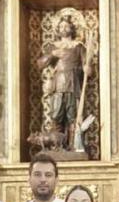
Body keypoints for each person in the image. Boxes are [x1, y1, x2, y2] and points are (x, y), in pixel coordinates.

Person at [38, 18, 91, 147]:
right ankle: (57, 146)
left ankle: (74, 145)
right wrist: (52, 55)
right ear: (57, 30)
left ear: (71, 29)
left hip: (73, 83)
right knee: (56, 115)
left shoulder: (78, 47)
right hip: (57, 85)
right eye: (61, 27)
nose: (63, 29)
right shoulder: (53, 46)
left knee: (73, 116)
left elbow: (87, 65)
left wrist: (87, 68)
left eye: (66, 26)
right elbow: (40, 64)